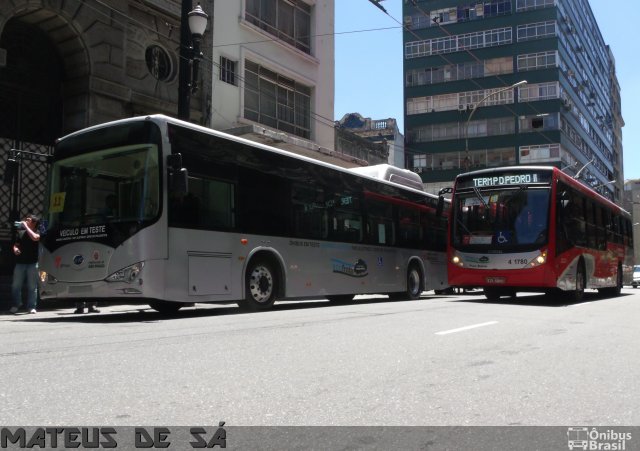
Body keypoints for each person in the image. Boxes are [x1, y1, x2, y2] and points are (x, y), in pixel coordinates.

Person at [9, 214, 40, 314]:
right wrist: (15, 249)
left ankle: (31, 307)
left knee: (32, 286)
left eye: (29, 220)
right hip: (20, 262)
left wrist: (26, 227)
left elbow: (35, 238)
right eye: (26, 219)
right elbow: (16, 245)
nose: (26, 221)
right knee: (16, 285)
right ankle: (16, 304)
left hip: (32, 263)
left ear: (34, 223)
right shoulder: (21, 233)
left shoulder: (38, 231)